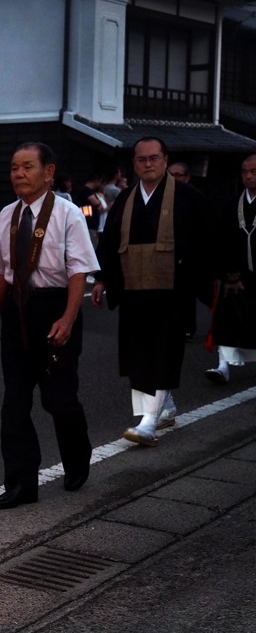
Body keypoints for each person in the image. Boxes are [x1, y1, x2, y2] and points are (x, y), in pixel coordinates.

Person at [0, 142, 98, 509]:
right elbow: (2, 271)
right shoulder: (6, 216)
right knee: (14, 401)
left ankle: (78, 458)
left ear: (48, 172)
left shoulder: (68, 214)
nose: (19, 174)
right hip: (17, 312)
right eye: (14, 167)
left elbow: (79, 269)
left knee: (58, 399)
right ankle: (20, 485)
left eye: (27, 166)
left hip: (54, 308)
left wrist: (68, 317)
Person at [90, 137, 213, 445]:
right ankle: (164, 407)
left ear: (165, 160)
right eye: (141, 159)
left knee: (161, 352)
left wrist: (216, 277)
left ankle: (148, 421)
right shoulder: (126, 198)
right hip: (133, 289)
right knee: (138, 354)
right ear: (134, 164)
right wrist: (103, 278)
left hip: (172, 290)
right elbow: (109, 241)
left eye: (154, 158)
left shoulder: (188, 197)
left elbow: (207, 240)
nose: (148, 164)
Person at [204, 153, 256, 384]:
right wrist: (229, 273)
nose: (248, 176)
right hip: (235, 276)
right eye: (245, 172)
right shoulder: (230, 204)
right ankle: (223, 366)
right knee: (227, 322)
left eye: (254, 172)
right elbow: (219, 240)